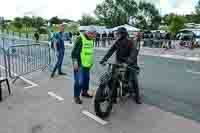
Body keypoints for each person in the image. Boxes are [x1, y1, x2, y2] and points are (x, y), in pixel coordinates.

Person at [100, 27, 142, 104]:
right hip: (119, 62)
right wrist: (104, 59)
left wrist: (127, 63)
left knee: (134, 79)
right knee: (112, 77)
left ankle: (137, 97)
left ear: (123, 34)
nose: (116, 35)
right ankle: (113, 97)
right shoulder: (117, 42)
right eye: (117, 34)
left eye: (118, 34)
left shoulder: (131, 42)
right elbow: (111, 51)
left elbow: (133, 54)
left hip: (130, 64)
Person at [71, 29, 96, 104]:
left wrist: (91, 62)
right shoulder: (80, 39)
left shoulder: (91, 40)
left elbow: (90, 51)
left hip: (87, 64)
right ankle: (76, 96)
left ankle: (84, 92)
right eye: (93, 35)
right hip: (79, 64)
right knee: (79, 81)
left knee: (86, 79)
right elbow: (74, 52)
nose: (94, 37)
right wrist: (75, 61)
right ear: (89, 33)